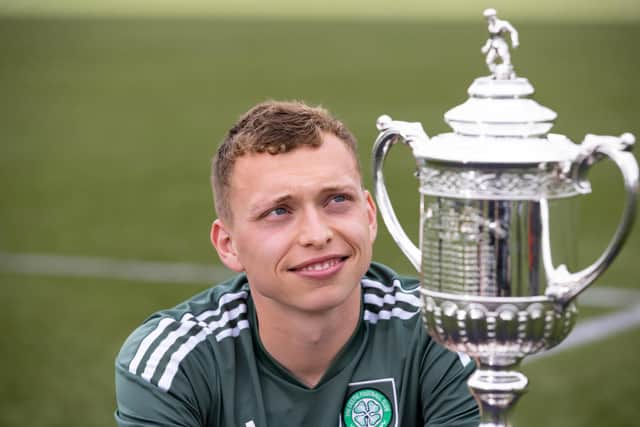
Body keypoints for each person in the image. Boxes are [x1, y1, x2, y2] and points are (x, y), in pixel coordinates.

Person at [114, 100, 479, 426]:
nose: (316, 234)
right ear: (229, 245)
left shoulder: (442, 327)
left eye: (336, 199)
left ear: (369, 216)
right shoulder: (173, 361)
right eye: (278, 211)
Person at [480, 8, 519, 77]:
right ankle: (495, 73)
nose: (487, 20)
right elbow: (491, 38)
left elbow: (513, 31)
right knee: (489, 61)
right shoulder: (490, 26)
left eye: (488, 17)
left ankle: (510, 73)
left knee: (506, 61)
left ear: (493, 16)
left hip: (501, 45)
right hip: (494, 46)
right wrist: (486, 47)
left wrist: (514, 41)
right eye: (487, 18)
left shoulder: (503, 23)